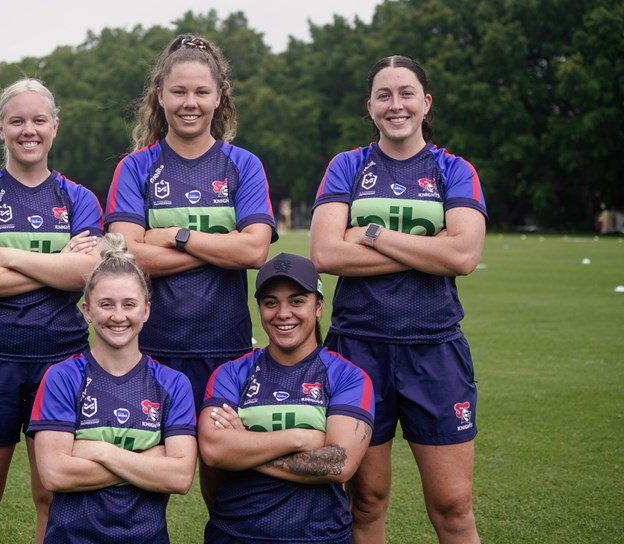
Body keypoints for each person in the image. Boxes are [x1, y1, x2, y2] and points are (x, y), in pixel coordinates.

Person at [310, 55, 487, 544]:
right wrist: (431, 249)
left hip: (435, 350)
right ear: (370, 107)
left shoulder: (454, 169)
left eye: (406, 93)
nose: (396, 105)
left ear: (425, 103)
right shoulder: (347, 166)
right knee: (365, 501)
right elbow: (325, 252)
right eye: (384, 96)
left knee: (453, 506)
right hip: (358, 352)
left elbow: (465, 255)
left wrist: (371, 233)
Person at [104, 34, 277, 505]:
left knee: (227, 493)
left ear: (219, 96)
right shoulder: (136, 169)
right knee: (137, 488)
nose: (190, 103)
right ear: (160, 96)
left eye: (201, 92)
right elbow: (124, 257)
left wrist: (178, 236)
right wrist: (223, 245)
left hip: (226, 353)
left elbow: (256, 251)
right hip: (148, 354)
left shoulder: (244, 165)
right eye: (178, 91)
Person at [0, 78, 104, 544]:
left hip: (62, 365)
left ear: (55, 126)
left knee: (54, 497)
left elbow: (89, 275)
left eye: (38, 120)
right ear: (1, 128)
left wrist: (7, 256)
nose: (27, 130)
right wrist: (59, 265)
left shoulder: (79, 199)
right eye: (17, 121)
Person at [27, 233, 198, 544]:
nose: (118, 316)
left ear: (146, 310)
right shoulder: (62, 378)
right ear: (87, 310)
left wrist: (98, 450)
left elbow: (180, 477)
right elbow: (55, 474)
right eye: (106, 304)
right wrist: (148, 459)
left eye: (129, 304)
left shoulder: (174, 384)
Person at [198, 253, 375, 544]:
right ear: (259, 309)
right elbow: (214, 451)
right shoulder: (231, 374)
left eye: (296, 301)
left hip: (320, 536)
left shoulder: (349, 376)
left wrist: (244, 450)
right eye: (271, 302)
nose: (283, 313)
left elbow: (338, 463)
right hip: (234, 533)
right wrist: (299, 438)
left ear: (318, 307)